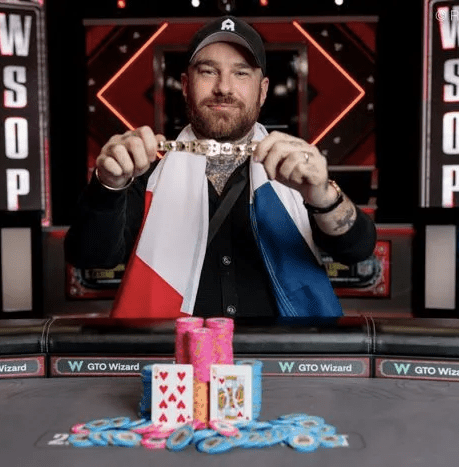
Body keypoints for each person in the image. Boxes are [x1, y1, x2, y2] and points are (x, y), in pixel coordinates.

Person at [65, 16, 377, 319]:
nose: (224, 87)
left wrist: (322, 196)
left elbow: (357, 251)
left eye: (241, 73)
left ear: (263, 90)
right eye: (208, 71)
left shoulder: (294, 170)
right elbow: (90, 258)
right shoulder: (145, 171)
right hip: (175, 350)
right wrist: (108, 184)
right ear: (185, 85)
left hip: (281, 350)